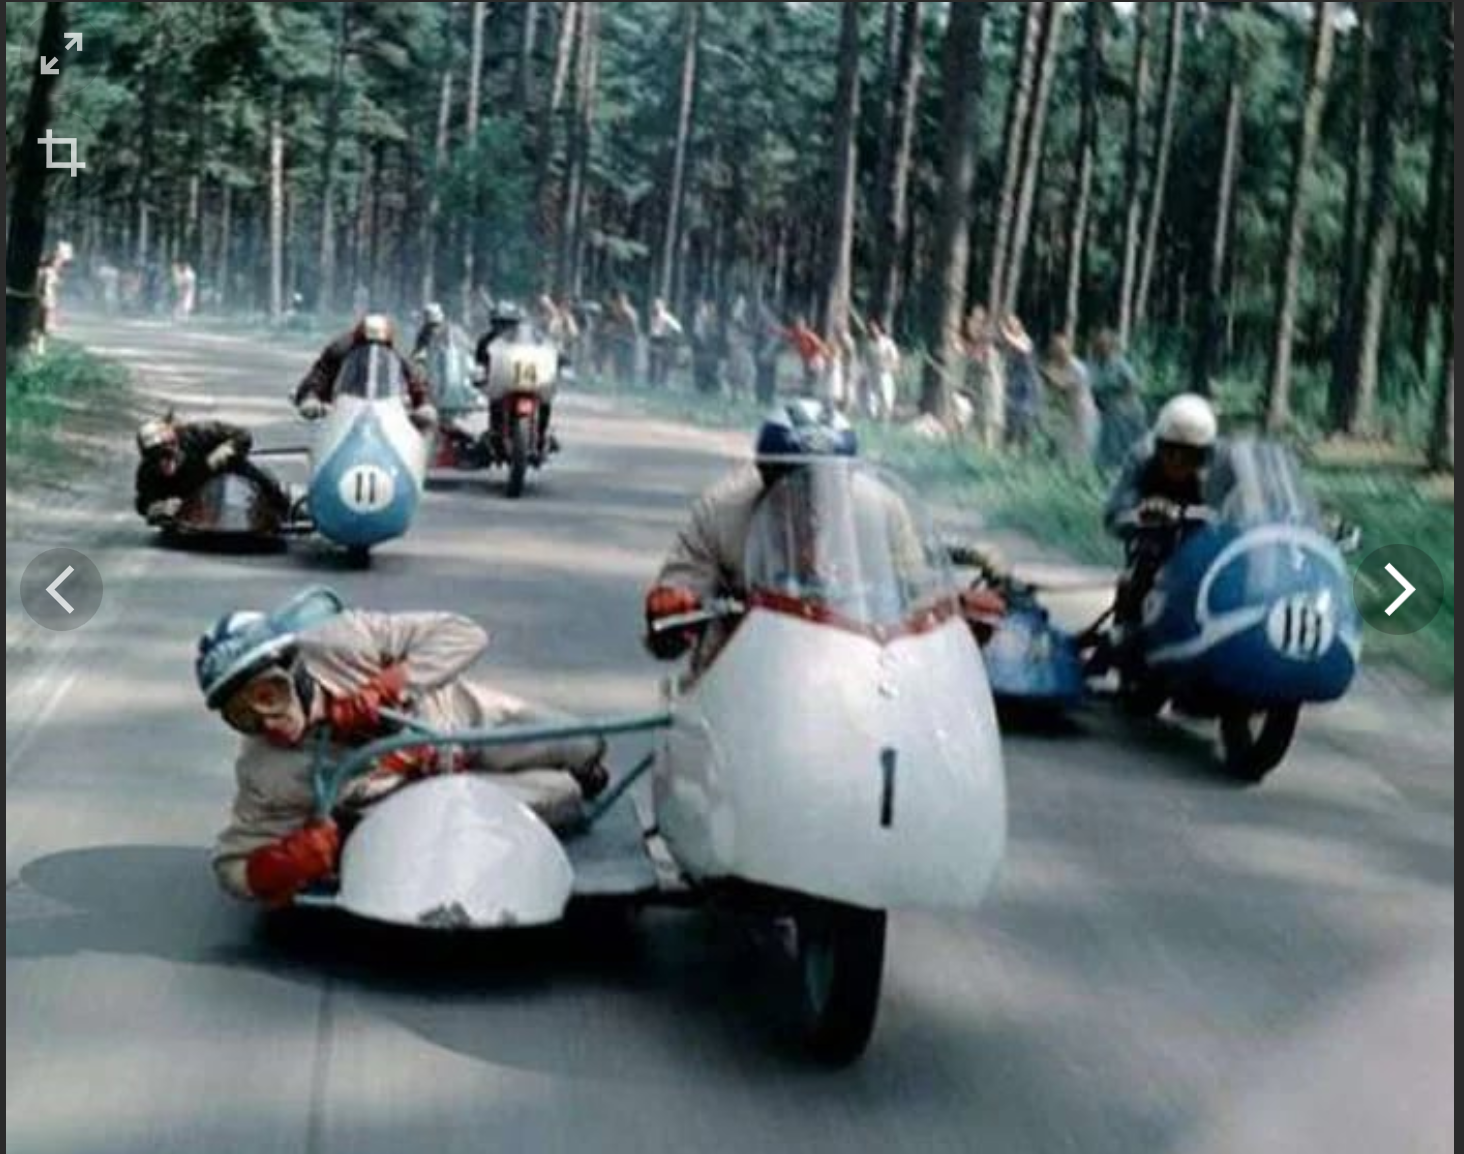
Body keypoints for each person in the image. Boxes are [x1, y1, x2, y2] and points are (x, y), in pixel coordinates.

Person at [199, 589, 611, 905]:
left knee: (585, 743)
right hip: (409, 802)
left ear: (295, 667)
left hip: (459, 720)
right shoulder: (267, 770)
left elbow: (464, 634)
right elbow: (231, 864)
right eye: (243, 716)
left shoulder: (345, 640)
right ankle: (562, 790)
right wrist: (281, 866)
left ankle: (583, 767)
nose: (267, 722)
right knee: (563, 795)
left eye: (268, 696)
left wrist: (387, 687)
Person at [642, 399, 1006, 675]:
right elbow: (674, 606)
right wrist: (672, 606)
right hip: (740, 681)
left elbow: (919, 596)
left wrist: (953, 617)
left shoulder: (882, 512)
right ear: (764, 477)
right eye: (791, 481)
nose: (810, 497)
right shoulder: (722, 513)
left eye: (826, 482)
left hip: (860, 677)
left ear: (849, 478)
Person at [1094, 393, 1236, 662]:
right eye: (1169, 450)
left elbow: (1250, 503)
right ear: (1157, 444)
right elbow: (1114, 514)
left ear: (1206, 453)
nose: (1177, 461)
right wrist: (1140, 515)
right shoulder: (1141, 456)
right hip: (1157, 550)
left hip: (1212, 551)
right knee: (1135, 577)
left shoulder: (1226, 463)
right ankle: (1126, 639)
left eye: (1190, 455)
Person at [134, 413, 293, 523]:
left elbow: (243, 435)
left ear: (175, 444)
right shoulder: (147, 472)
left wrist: (223, 453)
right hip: (190, 496)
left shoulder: (199, 433)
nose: (161, 462)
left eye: (165, 454)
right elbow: (143, 502)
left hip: (219, 469)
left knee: (253, 473)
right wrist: (155, 509)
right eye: (153, 457)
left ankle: (284, 506)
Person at [293, 314, 434, 424]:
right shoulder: (339, 350)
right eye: (366, 343)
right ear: (357, 340)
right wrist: (310, 397)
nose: (373, 349)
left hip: (385, 414)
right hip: (341, 413)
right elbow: (318, 376)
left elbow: (416, 380)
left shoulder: (396, 353)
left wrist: (424, 403)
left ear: (387, 342)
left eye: (380, 344)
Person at [1090, 329, 1148, 470]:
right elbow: (1094, 388)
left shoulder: (1119, 364)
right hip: (1109, 412)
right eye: (1099, 345)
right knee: (1109, 446)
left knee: (1128, 445)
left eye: (1104, 345)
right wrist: (1098, 404)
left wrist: (1123, 400)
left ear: (1111, 346)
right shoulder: (1096, 365)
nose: (1101, 348)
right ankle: (1108, 472)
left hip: (1127, 411)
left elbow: (1134, 385)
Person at [1040, 332, 1099, 461]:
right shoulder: (1057, 365)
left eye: (1060, 350)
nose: (1057, 354)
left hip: (1083, 409)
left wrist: (1047, 375)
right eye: (1055, 350)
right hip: (1069, 411)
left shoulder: (1077, 367)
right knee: (1066, 444)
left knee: (1083, 443)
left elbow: (1062, 385)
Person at [998, 314, 1040, 450]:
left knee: (1025, 424)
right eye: (1009, 326)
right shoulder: (1009, 345)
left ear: (1020, 326)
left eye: (1014, 325)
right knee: (1010, 422)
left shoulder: (1025, 340)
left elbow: (1023, 348)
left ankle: (1025, 451)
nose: (1012, 328)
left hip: (1028, 389)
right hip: (1013, 388)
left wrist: (1005, 333)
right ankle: (1007, 448)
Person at [34, 242, 74, 355]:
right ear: (55, 259)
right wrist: (42, 300)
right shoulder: (46, 271)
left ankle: (39, 351)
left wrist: (56, 312)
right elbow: (41, 288)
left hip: (48, 303)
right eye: (62, 262)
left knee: (44, 331)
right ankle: (37, 351)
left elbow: (52, 293)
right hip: (43, 303)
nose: (63, 266)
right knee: (40, 329)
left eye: (65, 264)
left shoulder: (52, 272)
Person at [862, 319, 901, 422]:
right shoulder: (868, 344)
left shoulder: (887, 343)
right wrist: (865, 373)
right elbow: (865, 360)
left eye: (874, 328)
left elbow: (896, 360)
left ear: (879, 328)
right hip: (872, 374)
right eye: (870, 328)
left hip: (884, 374)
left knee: (887, 398)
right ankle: (872, 420)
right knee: (871, 399)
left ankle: (886, 421)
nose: (872, 330)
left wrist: (889, 366)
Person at [783, 316, 831, 391]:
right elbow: (785, 333)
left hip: (815, 360)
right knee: (806, 376)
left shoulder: (809, 335)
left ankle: (815, 388)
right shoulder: (795, 335)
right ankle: (807, 389)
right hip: (806, 361)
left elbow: (820, 346)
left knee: (814, 376)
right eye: (797, 326)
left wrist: (827, 359)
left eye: (800, 326)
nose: (798, 328)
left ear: (803, 326)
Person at [647, 297, 683, 388]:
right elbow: (652, 329)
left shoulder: (666, 316)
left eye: (658, 305)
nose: (656, 307)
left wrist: (671, 335)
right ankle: (652, 382)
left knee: (664, 362)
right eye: (655, 305)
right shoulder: (653, 315)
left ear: (662, 306)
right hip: (654, 340)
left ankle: (663, 382)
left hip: (664, 341)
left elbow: (678, 328)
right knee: (653, 361)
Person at [690, 300, 724, 395]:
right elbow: (698, 334)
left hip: (710, 351)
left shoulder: (714, 321)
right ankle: (702, 386)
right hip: (703, 350)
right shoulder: (701, 319)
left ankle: (710, 386)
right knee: (701, 368)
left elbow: (716, 335)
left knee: (710, 369)